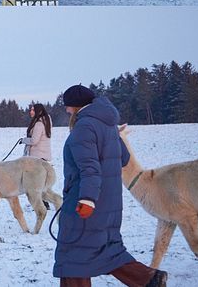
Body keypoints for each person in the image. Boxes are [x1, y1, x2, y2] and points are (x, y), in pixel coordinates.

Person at [54, 85, 168, 287]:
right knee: (107, 249)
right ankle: (148, 279)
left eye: (68, 106)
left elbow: (90, 169)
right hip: (110, 203)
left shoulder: (84, 127)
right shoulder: (107, 125)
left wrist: (87, 199)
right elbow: (123, 158)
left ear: (77, 106)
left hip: (86, 203)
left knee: (73, 254)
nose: (67, 110)